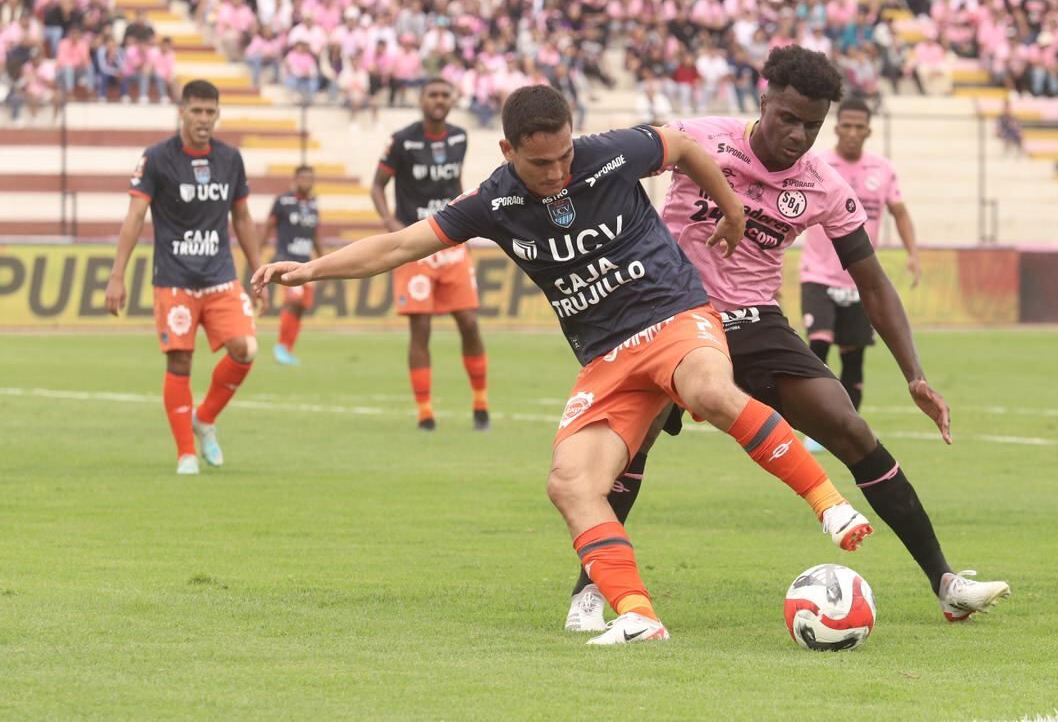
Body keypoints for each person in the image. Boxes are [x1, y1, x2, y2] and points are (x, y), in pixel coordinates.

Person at [255, 84, 875, 645]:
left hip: (674, 317)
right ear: (507, 149)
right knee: (571, 483)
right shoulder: (492, 203)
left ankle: (829, 504)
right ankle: (637, 615)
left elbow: (683, 147)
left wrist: (731, 207)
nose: (555, 172)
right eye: (538, 162)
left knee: (710, 389)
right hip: (606, 358)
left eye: (563, 156)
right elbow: (397, 245)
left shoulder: (611, 152)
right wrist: (310, 268)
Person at [558, 47, 1007, 633]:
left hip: (753, 320)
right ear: (763, 100)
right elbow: (607, 163)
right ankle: (590, 590)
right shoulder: (700, 139)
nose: (798, 135)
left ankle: (946, 583)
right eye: (787, 118)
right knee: (628, 450)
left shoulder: (824, 184)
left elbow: (871, 281)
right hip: (669, 312)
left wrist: (914, 374)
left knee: (849, 426)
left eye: (811, 125)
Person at [105, 80, 261, 475]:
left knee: (246, 349)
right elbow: (135, 217)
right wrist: (117, 276)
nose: (204, 119)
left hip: (221, 276)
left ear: (218, 114)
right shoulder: (156, 158)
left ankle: (205, 418)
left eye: (211, 111)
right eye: (197, 111)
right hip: (174, 279)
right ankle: (186, 453)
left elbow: (241, 217)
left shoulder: (230, 159)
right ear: (182, 111)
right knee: (180, 361)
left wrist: (258, 269)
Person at [370, 79, 490, 431]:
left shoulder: (459, 137)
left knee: (468, 322)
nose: (439, 101)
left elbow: (455, 183)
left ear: (452, 100)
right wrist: (390, 222)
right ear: (421, 100)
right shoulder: (402, 140)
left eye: (444, 95)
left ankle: (481, 404)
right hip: (415, 245)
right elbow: (377, 185)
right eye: (432, 95)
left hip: (452, 241)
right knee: (420, 329)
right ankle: (425, 412)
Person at [800, 96, 920, 413]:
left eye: (859, 127)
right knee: (818, 346)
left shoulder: (882, 170)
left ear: (868, 132)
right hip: (818, 275)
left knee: (853, 356)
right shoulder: (816, 164)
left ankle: (846, 424)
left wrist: (913, 253)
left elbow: (900, 212)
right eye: (847, 126)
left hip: (858, 281)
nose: (852, 132)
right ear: (836, 128)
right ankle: (816, 418)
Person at [262, 166, 322, 365]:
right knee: (293, 301)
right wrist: (257, 251)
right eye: (303, 177)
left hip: (307, 262)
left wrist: (323, 260)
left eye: (310, 178)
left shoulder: (313, 204)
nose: (307, 181)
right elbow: (268, 227)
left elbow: (316, 235)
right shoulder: (283, 201)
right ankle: (280, 347)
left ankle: (287, 348)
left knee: (302, 307)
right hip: (287, 259)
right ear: (296, 179)